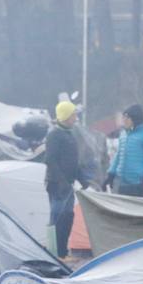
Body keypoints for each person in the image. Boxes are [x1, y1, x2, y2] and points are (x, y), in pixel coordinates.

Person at [44, 100, 85, 259]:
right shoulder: (54, 135)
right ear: (66, 116)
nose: (75, 118)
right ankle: (55, 254)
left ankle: (62, 252)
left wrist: (81, 178)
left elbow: (73, 161)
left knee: (67, 217)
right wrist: (61, 181)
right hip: (57, 185)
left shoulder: (69, 134)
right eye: (73, 114)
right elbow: (50, 160)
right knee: (57, 218)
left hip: (68, 185)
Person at [104, 103, 143, 197]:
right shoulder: (123, 134)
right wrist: (111, 175)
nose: (124, 120)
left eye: (127, 118)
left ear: (135, 119)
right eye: (124, 117)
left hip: (141, 185)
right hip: (123, 185)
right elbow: (118, 156)